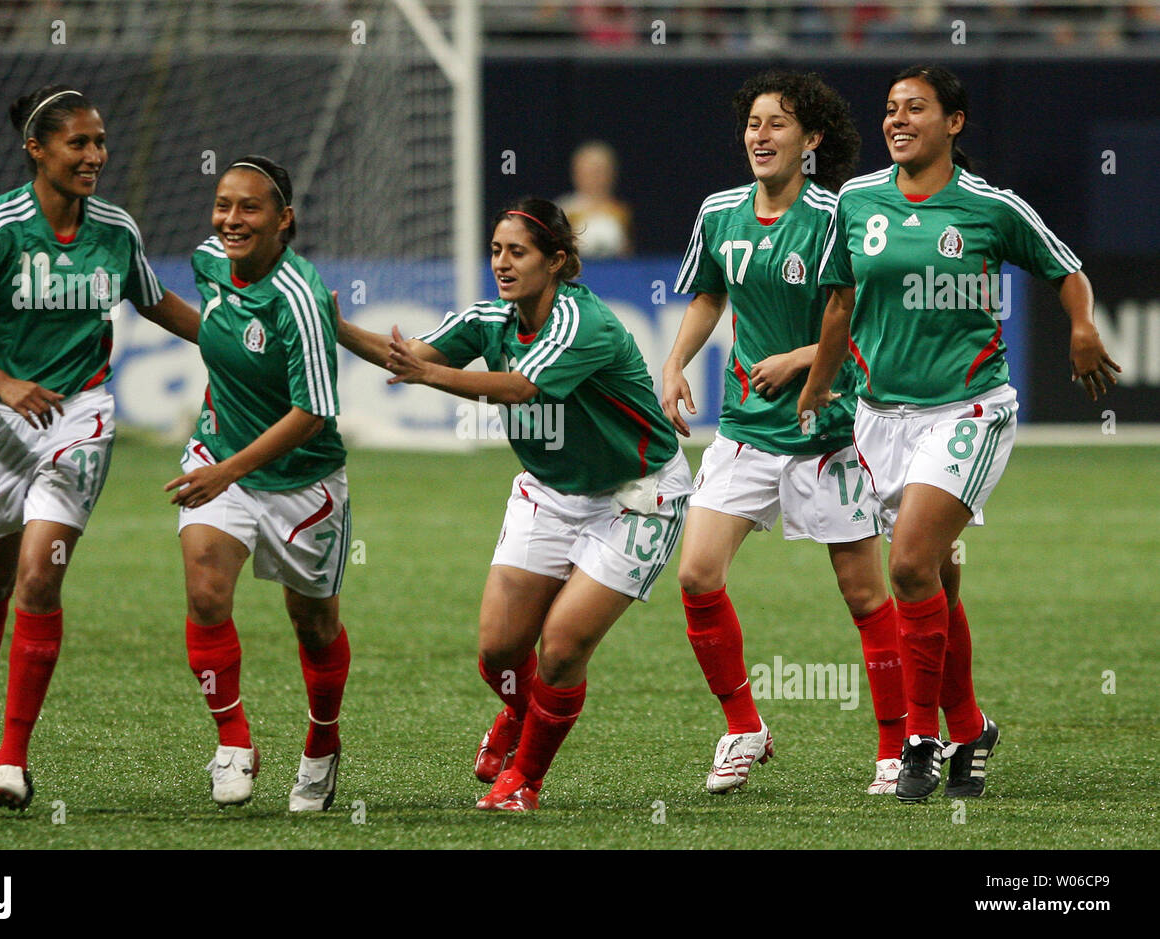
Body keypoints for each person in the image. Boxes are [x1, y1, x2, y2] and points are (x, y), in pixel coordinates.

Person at [798, 64, 1121, 802]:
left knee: (909, 564)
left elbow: (1065, 269)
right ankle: (972, 724)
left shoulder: (988, 207)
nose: (897, 119)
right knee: (934, 576)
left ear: (955, 123)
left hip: (969, 409)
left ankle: (919, 737)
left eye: (915, 107)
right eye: (889, 109)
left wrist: (1080, 325)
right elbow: (841, 300)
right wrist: (820, 382)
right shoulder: (856, 199)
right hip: (882, 417)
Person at [336, 198, 692, 810]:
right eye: (496, 250)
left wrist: (429, 378)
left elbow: (520, 387)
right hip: (550, 492)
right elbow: (410, 356)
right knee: (500, 651)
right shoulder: (490, 318)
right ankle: (520, 717)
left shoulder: (585, 323)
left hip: (636, 497)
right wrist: (335, 327)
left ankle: (523, 779)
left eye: (517, 252)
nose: (502, 263)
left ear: (556, 261)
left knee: (559, 648)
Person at [0, 84, 200, 809]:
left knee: (40, 577)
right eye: (79, 143)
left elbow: (155, 301)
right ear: (36, 149)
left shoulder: (115, 228)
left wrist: (235, 344)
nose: (95, 156)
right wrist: (0, 381)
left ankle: (12, 757)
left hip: (80, 414)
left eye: (100, 142)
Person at [664, 70, 906, 796]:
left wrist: (804, 361)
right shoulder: (719, 212)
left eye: (776, 124)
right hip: (744, 427)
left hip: (827, 430)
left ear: (812, 139)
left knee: (865, 595)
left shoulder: (840, 214)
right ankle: (744, 727)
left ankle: (896, 747)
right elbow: (710, 293)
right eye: (752, 123)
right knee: (697, 575)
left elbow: (864, 308)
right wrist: (674, 363)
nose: (759, 135)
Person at [165, 156, 351, 812]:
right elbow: (184, 313)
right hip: (220, 458)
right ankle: (234, 741)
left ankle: (323, 744)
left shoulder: (299, 297)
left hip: (304, 483)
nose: (231, 220)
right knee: (207, 589)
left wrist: (228, 470)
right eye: (223, 205)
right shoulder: (208, 260)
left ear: (283, 219)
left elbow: (313, 414)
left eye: (248, 208)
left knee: (314, 622)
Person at [557, 141, 634, 258]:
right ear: (576, 173)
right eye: (589, 172)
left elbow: (628, 256)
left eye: (600, 171)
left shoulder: (620, 212)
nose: (595, 178)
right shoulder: (564, 211)